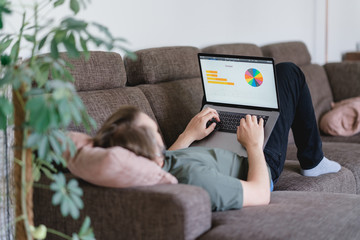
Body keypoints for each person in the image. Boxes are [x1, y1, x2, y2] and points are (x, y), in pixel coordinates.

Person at [92, 62, 341, 211]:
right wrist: (253, 145)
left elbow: (166, 159)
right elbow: (260, 193)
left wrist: (188, 134)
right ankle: (313, 162)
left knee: (215, 103)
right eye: (156, 132)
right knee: (289, 73)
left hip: (213, 147)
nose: (160, 135)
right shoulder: (197, 179)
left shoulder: (158, 167)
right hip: (257, 161)